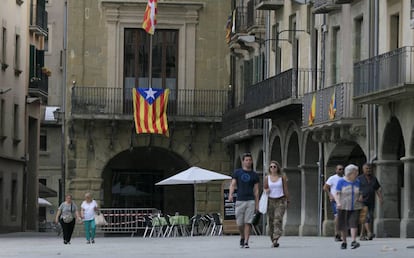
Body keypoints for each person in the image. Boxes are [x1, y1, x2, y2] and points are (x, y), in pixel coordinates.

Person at [229, 152, 259, 249]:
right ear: (243, 161)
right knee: (239, 223)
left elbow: (256, 190)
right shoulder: (237, 172)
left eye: (250, 160)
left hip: (250, 200)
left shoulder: (254, 175)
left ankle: (246, 242)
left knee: (248, 222)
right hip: (240, 200)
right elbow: (233, 184)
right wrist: (230, 194)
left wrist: (257, 204)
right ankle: (242, 236)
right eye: (246, 160)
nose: (248, 162)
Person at [335, 164, 363, 250]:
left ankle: (354, 241)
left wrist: (360, 197)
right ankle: (344, 242)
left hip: (355, 206)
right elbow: (337, 194)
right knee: (343, 225)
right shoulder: (341, 182)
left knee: (353, 223)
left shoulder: (357, 182)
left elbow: (360, 192)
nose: (357, 174)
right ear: (349, 173)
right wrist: (338, 202)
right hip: (343, 206)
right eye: (355, 172)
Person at [263, 160, 289, 248]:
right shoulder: (267, 178)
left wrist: (288, 199)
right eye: (271, 167)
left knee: (277, 219)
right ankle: (272, 237)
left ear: (277, 168)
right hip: (270, 200)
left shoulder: (282, 177)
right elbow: (265, 188)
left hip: (280, 200)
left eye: (274, 166)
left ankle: (276, 238)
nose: (273, 168)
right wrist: (266, 190)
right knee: (271, 220)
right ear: (269, 169)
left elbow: (285, 189)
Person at [358, 163, 382, 240]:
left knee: (368, 217)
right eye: (367, 169)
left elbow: (377, 189)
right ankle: (369, 233)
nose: (368, 170)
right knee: (366, 216)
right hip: (362, 201)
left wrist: (380, 198)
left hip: (371, 200)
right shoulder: (359, 178)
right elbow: (355, 189)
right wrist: (359, 195)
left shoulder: (374, 179)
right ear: (363, 169)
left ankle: (362, 235)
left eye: (369, 169)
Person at [323, 164, 344, 241]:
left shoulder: (345, 178)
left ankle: (341, 233)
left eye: (342, 169)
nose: (341, 170)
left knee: (342, 216)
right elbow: (325, 187)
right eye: (339, 169)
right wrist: (330, 195)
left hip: (344, 199)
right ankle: (337, 233)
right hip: (335, 200)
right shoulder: (332, 178)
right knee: (337, 216)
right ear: (336, 170)